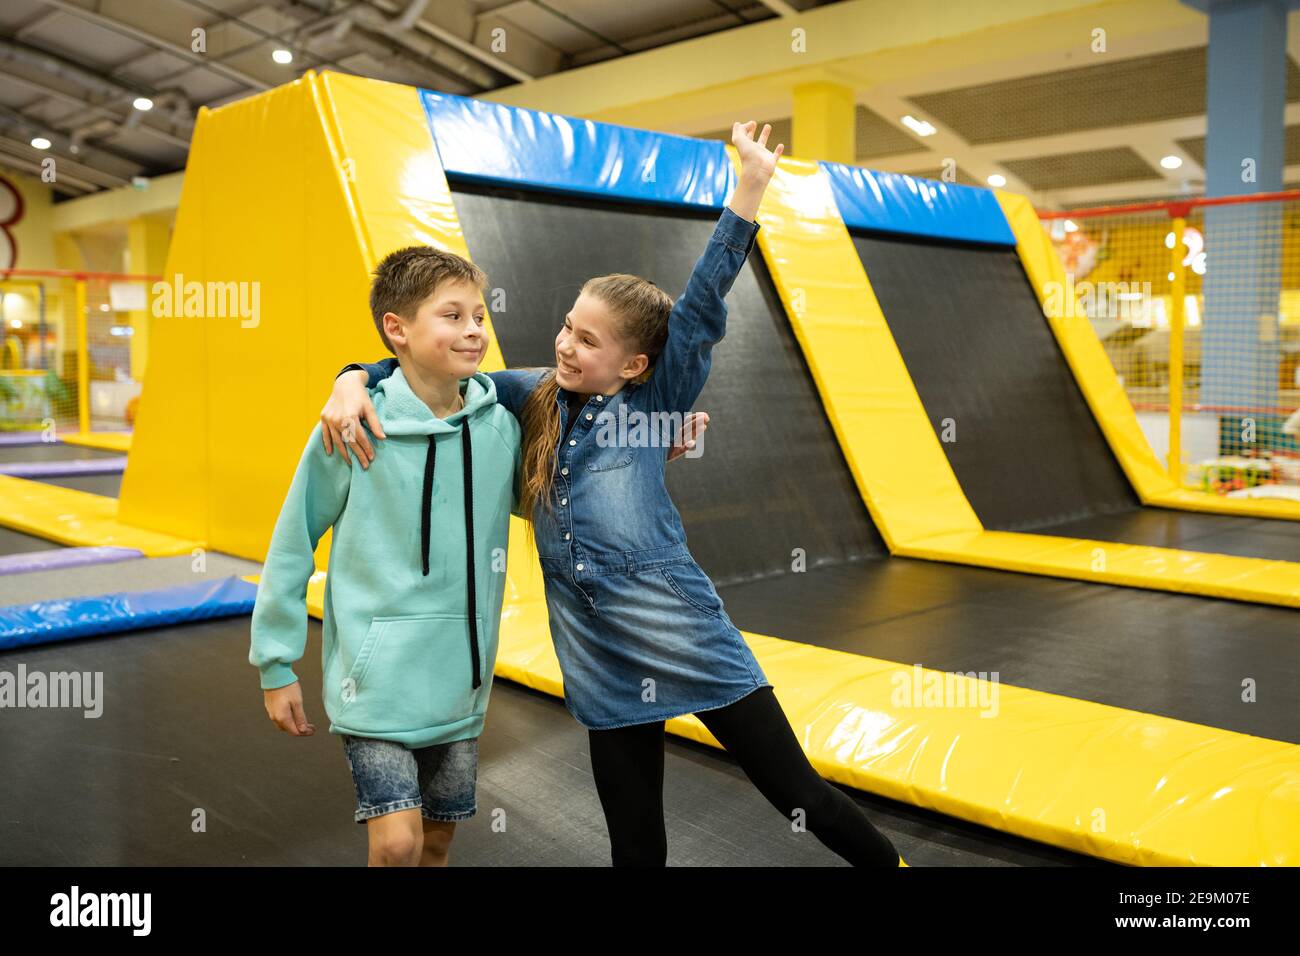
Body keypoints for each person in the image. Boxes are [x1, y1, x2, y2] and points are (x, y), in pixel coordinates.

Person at [324, 121, 905, 867]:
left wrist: (749, 188)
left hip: (680, 630)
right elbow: (429, 369)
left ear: (634, 364)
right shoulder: (527, 391)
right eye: (568, 326)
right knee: (633, 838)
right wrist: (351, 376)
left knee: (796, 791)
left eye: (588, 341)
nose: (566, 345)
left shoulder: (653, 401)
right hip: (598, 653)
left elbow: (701, 307)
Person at [250, 246, 521, 866]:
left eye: (479, 315)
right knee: (396, 845)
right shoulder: (351, 427)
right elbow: (293, 542)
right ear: (396, 329)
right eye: (452, 315)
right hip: (374, 683)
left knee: (435, 842)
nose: (474, 330)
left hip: (461, 684)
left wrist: (649, 446)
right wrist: (275, 663)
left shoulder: (499, 426)